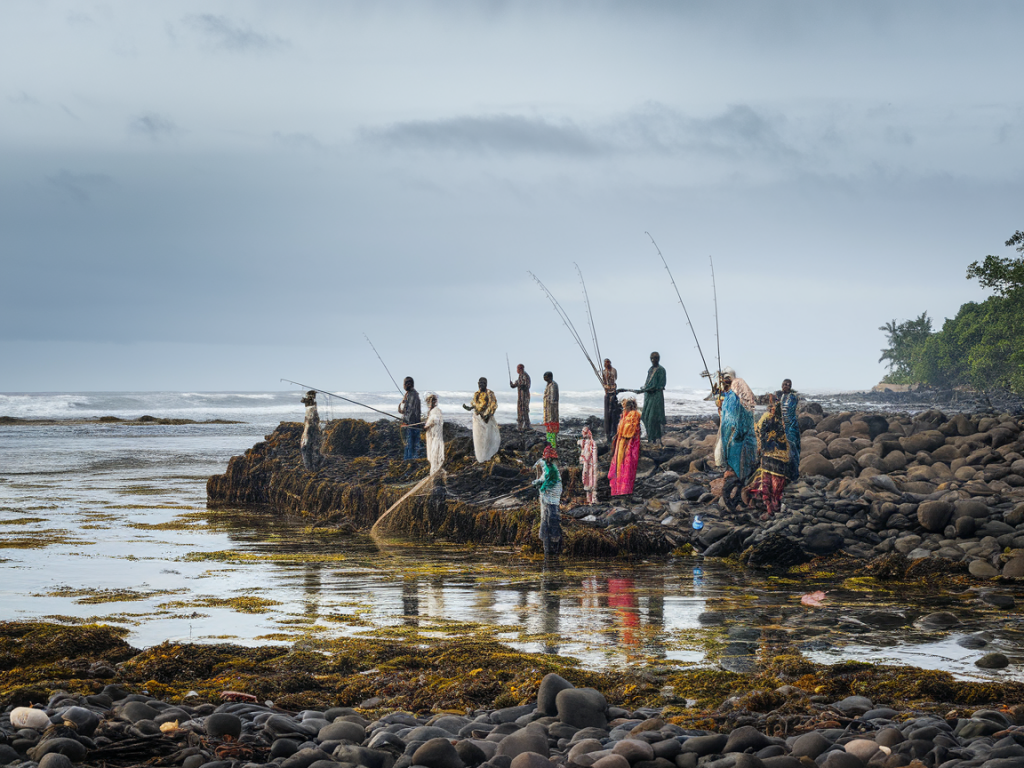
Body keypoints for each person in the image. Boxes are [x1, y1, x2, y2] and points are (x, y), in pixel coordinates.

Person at [744, 396, 792, 519]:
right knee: (768, 485)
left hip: (775, 458)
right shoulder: (775, 419)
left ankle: (772, 509)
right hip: (771, 458)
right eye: (771, 406)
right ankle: (770, 508)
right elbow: (759, 432)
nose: (772, 409)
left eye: (774, 406)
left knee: (773, 486)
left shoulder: (782, 421)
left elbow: (759, 432)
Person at [718, 368, 757, 483]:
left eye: (727, 377)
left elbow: (733, 417)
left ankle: (738, 478)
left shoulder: (734, 397)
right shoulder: (731, 395)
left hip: (736, 433)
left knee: (735, 456)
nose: (725, 380)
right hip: (737, 433)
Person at [532, 444, 563, 556]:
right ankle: (547, 547)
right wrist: (538, 481)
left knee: (552, 520)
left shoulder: (553, 470)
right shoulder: (547, 467)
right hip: (546, 499)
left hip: (552, 500)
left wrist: (539, 484)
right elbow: (543, 477)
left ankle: (554, 547)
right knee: (545, 521)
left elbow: (548, 480)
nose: (548, 460)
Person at [609, 395, 641, 497]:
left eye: (624, 404)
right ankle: (618, 490)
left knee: (626, 467)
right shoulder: (625, 415)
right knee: (620, 467)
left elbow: (629, 432)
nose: (623, 406)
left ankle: (624, 490)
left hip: (628, 445)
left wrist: (621, 434)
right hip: (622, 443)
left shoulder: (633, 415)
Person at [462, 377, 500, 462]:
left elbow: (493, 405)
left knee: (487, 436)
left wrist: (488, 414)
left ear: (486, 384)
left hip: (487, 418)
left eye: (483, 383)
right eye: (479, 383)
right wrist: (469, 407)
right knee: (478, 437)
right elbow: (475, 404)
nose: (481, 385)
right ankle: (480, 457)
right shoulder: (477, 393)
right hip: (478, 418)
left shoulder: (489, 393)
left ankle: (487, 456)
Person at [640, 352, 666, 444]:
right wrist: (644, 388)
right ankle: (650, 437)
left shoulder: (661, 370)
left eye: (655, 358)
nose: (653, 360)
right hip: (648, 396)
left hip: (656, 397)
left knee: (653, 418)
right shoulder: (650, 369)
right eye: (652, 358)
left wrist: (652, 389)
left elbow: (661, 385)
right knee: (645, 416)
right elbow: (647, 382)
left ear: (658, 359)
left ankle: (656, 438)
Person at [777, 379, 801, 482]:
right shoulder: (782, 397)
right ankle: (788, 474)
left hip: (791, 427)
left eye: (788, 385)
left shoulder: (792, 396)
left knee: (793, 450)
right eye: (784, 384)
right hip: (784, 427)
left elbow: (790, 410)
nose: (785, 386)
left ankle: (794, 475)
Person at [398, 376, 422, 460]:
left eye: (404, 384)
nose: (403, 387)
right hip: (415, 425)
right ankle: (412, 463)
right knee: (414, 446)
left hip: (411, 425)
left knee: (409, 446)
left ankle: (408, 464)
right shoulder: (413, 394)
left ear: (407, 384)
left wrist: (405, 422)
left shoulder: (412, 395)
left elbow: (407, 411)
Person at [423, 392, 445, 476]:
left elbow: (434, 419)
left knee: (434, 454)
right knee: (433, 455)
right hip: (433, 437)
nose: (429, 404)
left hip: (435, 437)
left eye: (431, 401)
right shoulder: (433, 411)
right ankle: (435, 472)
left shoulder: (435, 411)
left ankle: (434, 473)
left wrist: (426, 426)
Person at [300, 390, 321, 471]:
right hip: (310, 429)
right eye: (313, 395)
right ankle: (311, 468)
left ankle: (310, 467)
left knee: (308, 448)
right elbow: (311, 420)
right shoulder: (311, 407)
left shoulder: (311, 405)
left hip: (310, 428)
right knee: (308, 447)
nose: (314, 396)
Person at [601, 358, 621, 442]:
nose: (607, 364)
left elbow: (615, 379)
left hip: (613, 392)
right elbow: (604, 381)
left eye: (608, 363)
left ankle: (613, 433)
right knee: (607, 415)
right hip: (607, 393)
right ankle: (608, 434)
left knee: (614, 414)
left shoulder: (614, 370)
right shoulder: (604, 372)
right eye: (606, 363)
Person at [577, 426, 598, 504]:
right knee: (586, 480)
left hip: (591, 464)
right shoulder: (584, 442)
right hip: (588, 464)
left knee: (591, 480)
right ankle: (589, 500)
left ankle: (593, 499)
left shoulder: (591, 443)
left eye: (584, 432)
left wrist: (585, 459)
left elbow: (589, 454)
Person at [509, 364, 532, 431]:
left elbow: (527, 386)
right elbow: (514, 385)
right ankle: (520, 426)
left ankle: (527, 425)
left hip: (525, 397)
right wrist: (512, 384)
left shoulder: (525, 376)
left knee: (524, 410)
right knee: (520, 410)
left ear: (520, 369)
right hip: (520, 397)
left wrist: (520, 385)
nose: (517, 370)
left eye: (518, 368)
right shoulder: (520, 377)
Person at [543, 371, 559, 449]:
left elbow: (553, 400)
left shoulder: (553, 385)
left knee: (552, 426)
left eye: (545, 378)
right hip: (548, 410)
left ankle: (553, 445)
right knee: (549, 428)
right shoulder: (548, 385)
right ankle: (550, 444)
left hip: (552, 410)